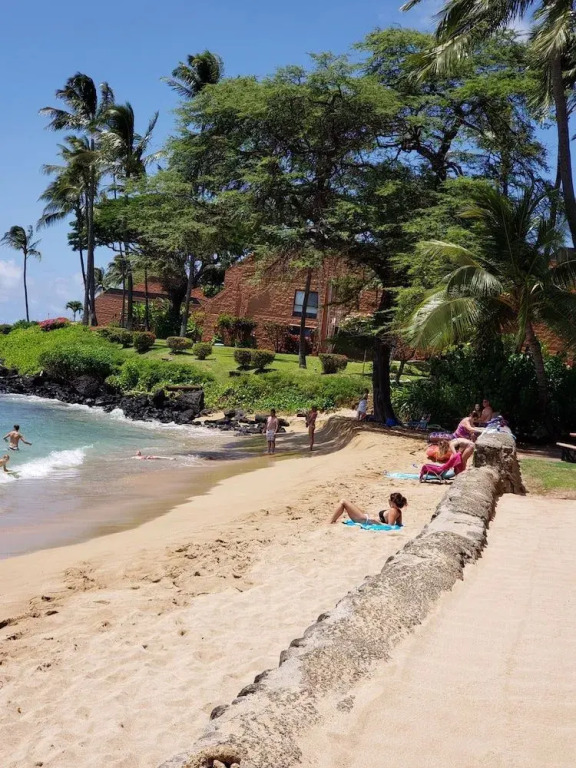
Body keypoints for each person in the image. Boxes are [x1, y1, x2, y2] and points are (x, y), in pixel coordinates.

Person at [330, 492, 407, 527]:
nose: (388, 501)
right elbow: (399, 525)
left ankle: (330, 522)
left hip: (365, 520)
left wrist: (377, 523)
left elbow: (390, 527)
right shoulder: (398, 511)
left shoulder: (393, 510)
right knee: (350, 504)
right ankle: (331, 521)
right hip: (366, 518)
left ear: (392, 502)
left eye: (389, 500)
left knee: (343, 501)